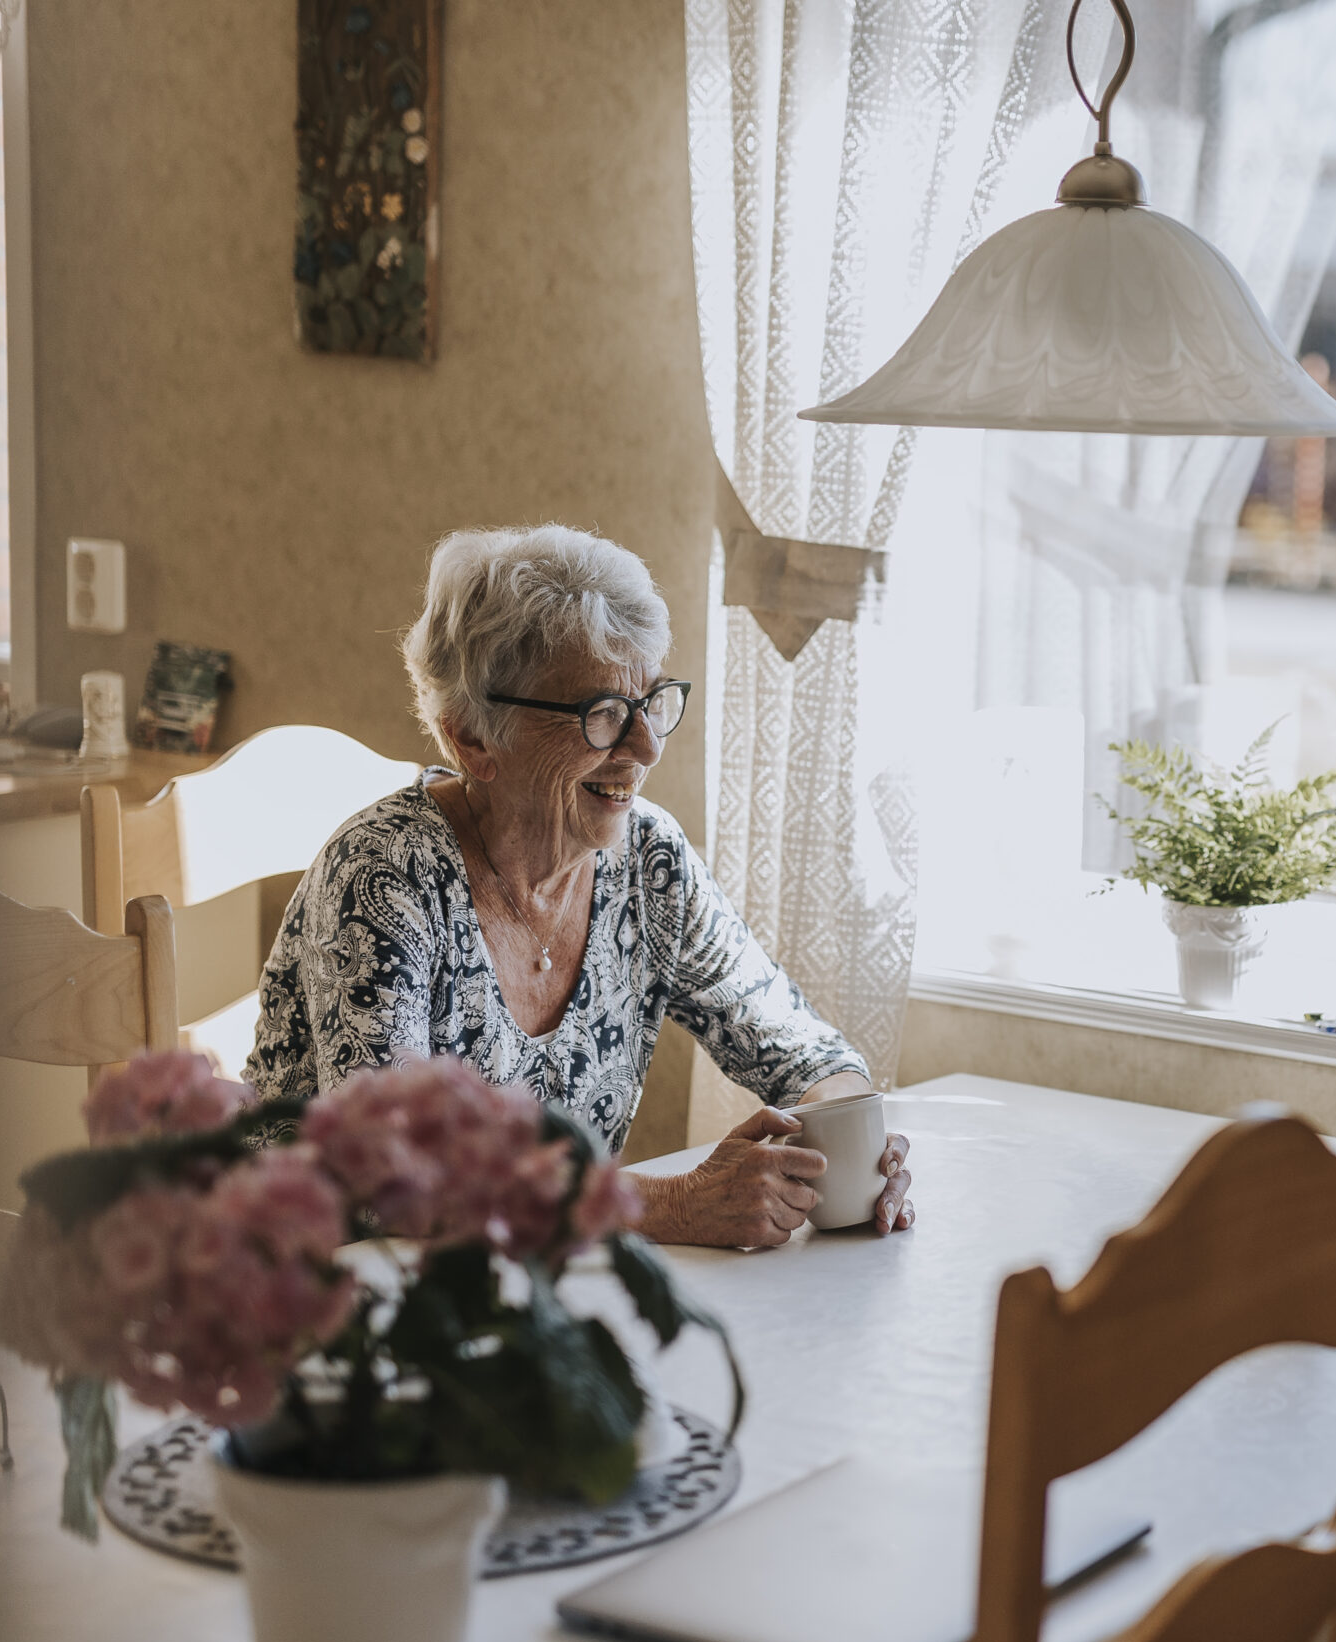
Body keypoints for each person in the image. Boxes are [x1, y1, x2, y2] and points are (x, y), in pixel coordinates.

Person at [246, 524, 912, 1248]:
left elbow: (808, 1055)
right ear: (473, 737)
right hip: (325, 1300)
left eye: (651, 701)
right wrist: (674, 1205)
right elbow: (392, 1182)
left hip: (533, 1299)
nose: (647, 746)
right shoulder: (384, 874)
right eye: (601, 714)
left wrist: (855, 1151)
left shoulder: (648, 862)